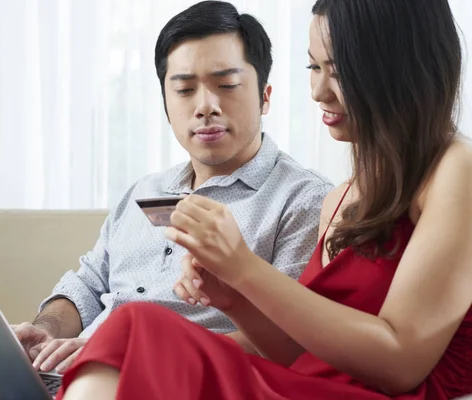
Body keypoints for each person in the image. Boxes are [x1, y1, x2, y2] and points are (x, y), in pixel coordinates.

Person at [0, 2, 332, 399]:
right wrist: (45, 333)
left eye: (227, 85)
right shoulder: (142, 192)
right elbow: (87, 285)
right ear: (166, 103)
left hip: (161, 384)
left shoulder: (304, 200)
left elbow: (285, 343)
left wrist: (116, 353)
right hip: (67, 376)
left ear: (265, 96)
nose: (205, 105)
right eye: (185, 88)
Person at [55, 0, 472, 399]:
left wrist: (243, 268)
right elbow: (299, 352)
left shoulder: (456, 168)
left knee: (136, 328)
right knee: (135, 328)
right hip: (302, 383)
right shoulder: (343, 197)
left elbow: (401, 363)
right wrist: (231, 296)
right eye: (314, 67)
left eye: (341, 71)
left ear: (402, 67)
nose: (318, 91)